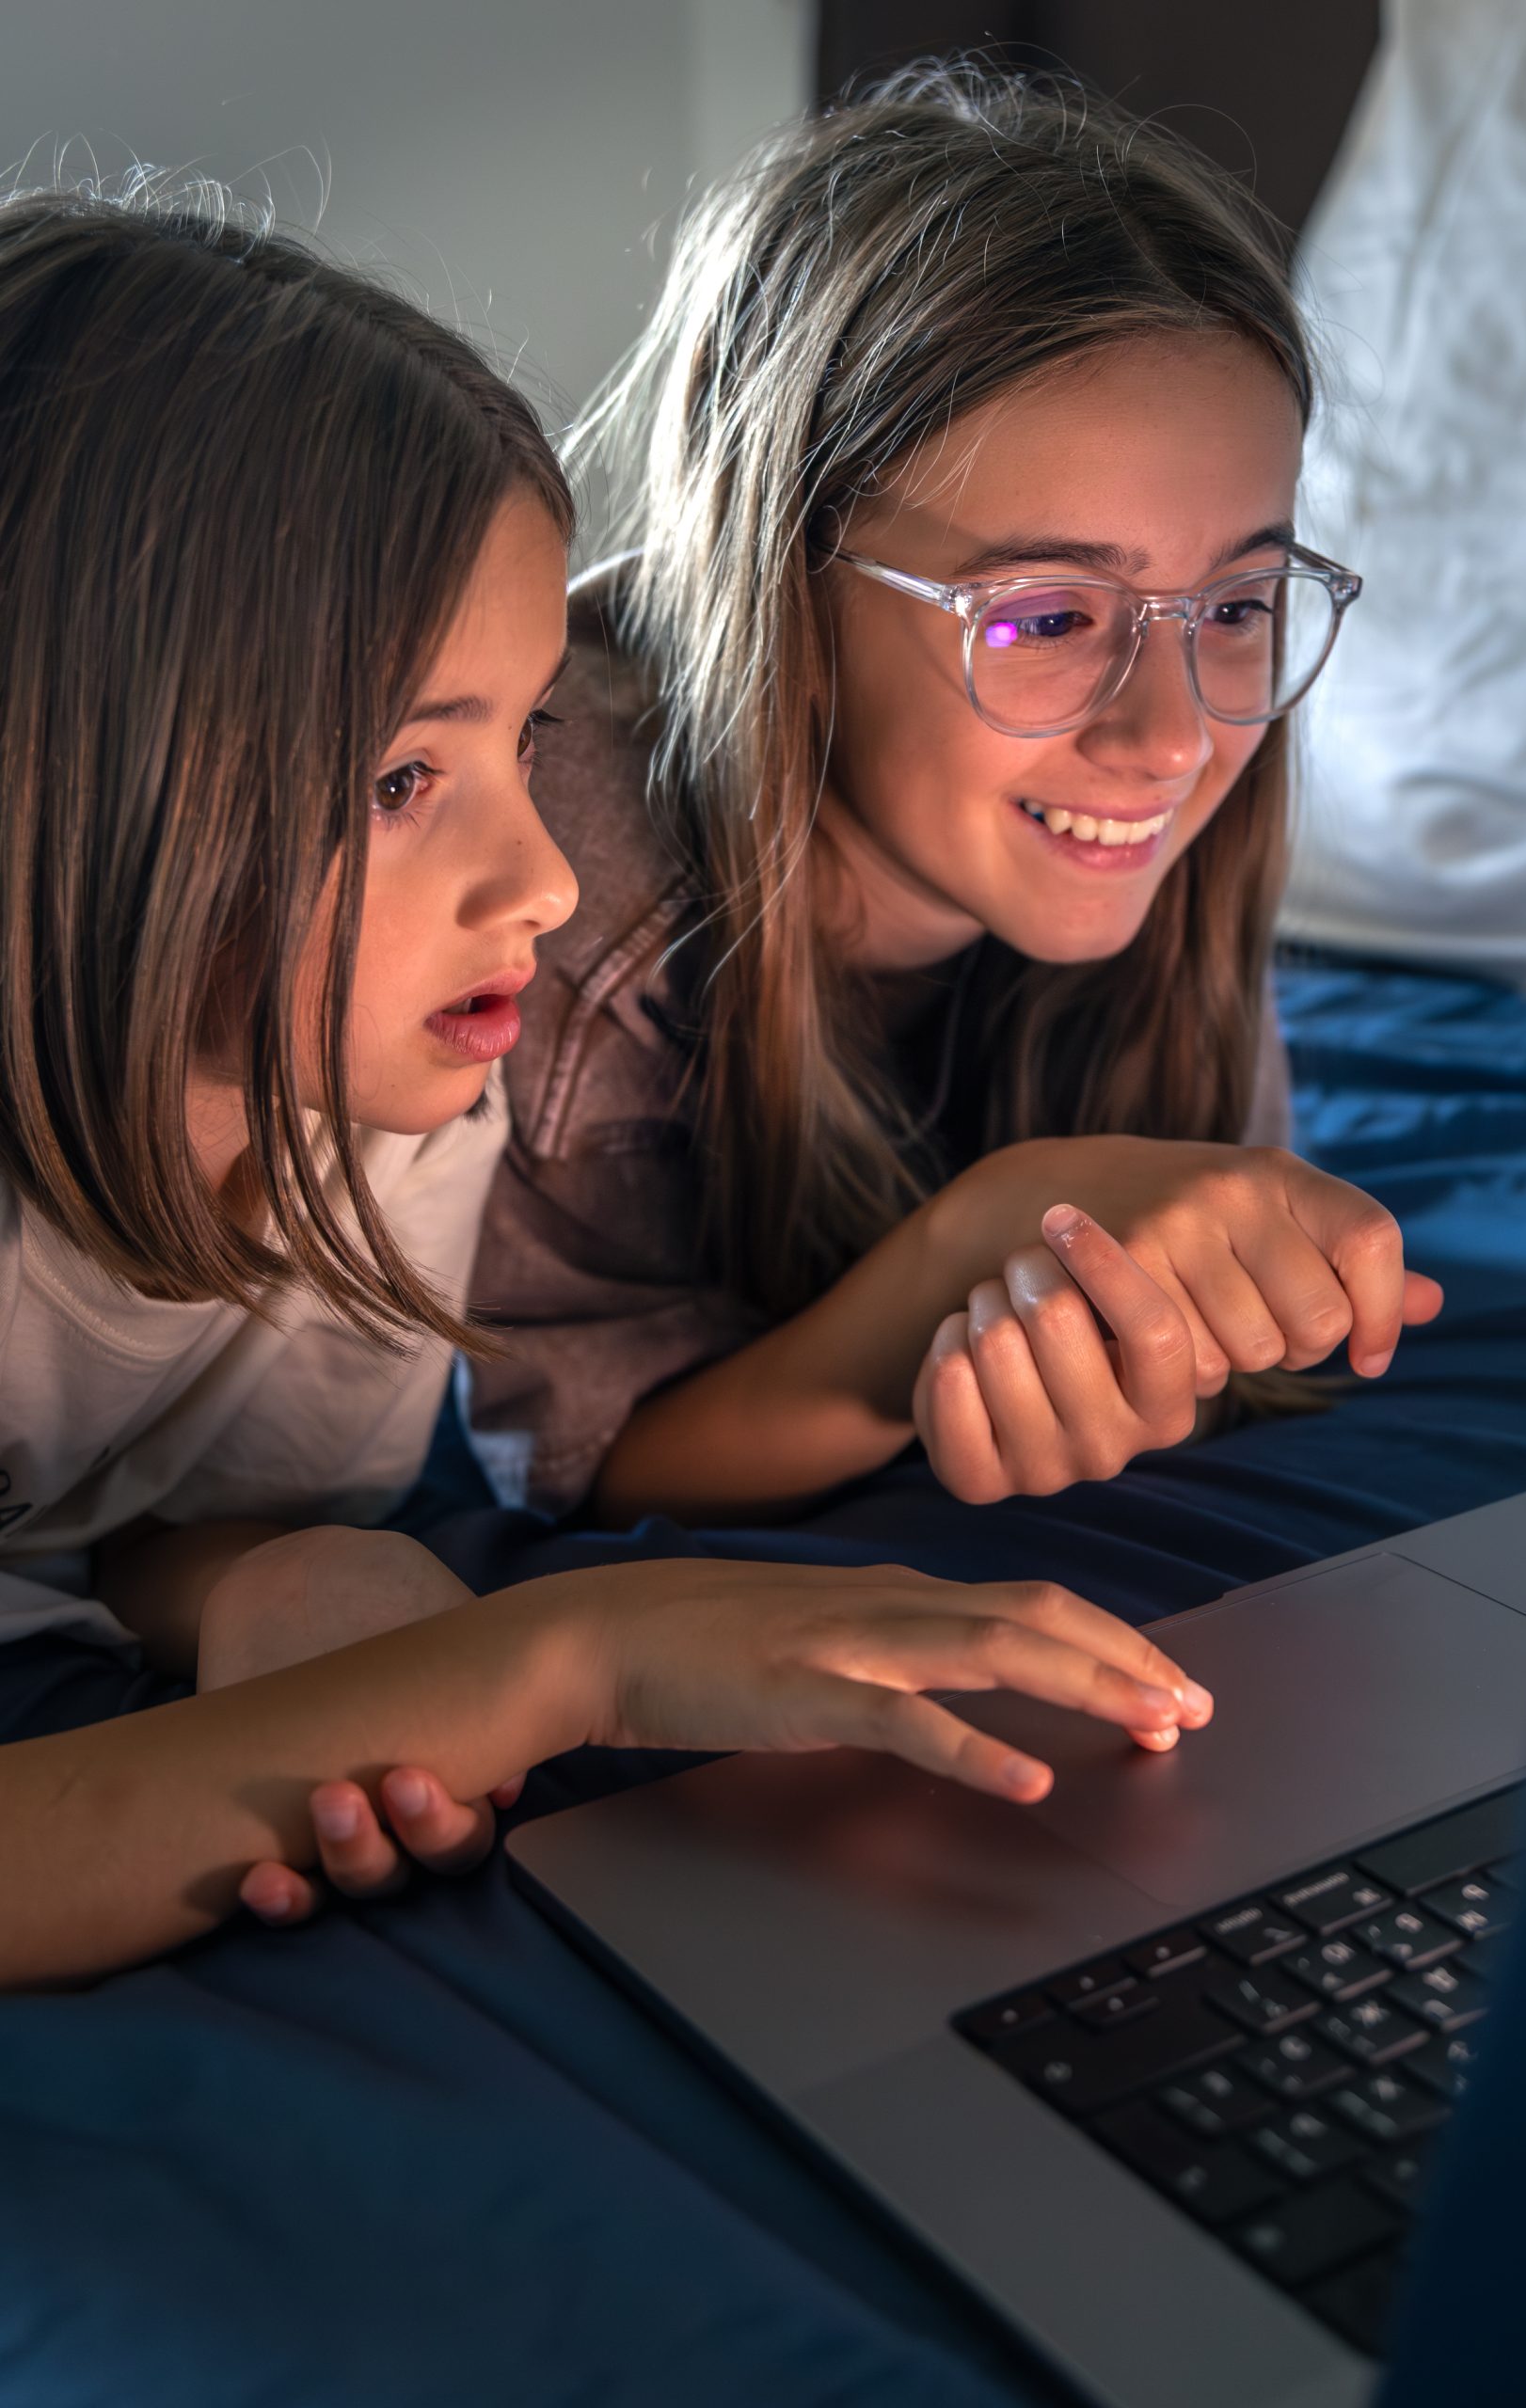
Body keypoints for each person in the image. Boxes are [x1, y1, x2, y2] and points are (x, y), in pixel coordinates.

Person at [0, 187, 1213, 1990]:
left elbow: (97, 1525)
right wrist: (570, 1656)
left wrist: (243, 1585)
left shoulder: (376, 1126)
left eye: (527, 738)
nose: (548, 888)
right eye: (404, 782)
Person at [467, 64, 1442, 1529]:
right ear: (783, 580)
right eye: (1048, 618)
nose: (1172, 740)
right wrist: (964, 1258)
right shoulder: (558, 886)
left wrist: (1151, 1336)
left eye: (1239, 602)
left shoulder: (1199, 777)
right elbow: (587, 1459)